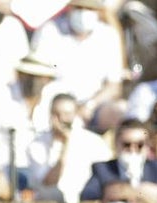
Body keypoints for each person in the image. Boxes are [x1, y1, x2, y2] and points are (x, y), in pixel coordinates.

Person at [30, 0, 127, 132]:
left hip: (92, 107)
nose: (83, 13)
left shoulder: (108, 35)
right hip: (54, 103)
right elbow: (37, 76)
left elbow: (114, 86)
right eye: (79, 7)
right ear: (70, 7)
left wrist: (90, 105)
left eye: (89, 8)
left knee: (120, 110)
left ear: (98, 11)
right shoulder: (50, 30)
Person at [25, 92, 114, 203]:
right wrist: (65, 144)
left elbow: (106, 177)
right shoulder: (37, 145)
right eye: (56, 114)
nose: (61, 119)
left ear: (75, 114)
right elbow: (49, 182)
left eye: (66, 114)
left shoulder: (94, 142)